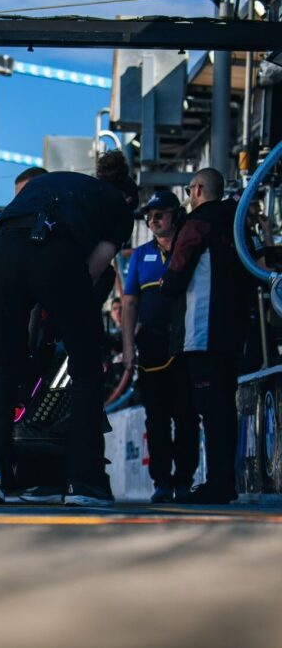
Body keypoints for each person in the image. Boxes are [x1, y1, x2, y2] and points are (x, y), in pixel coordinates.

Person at [0, 150, 138, 506]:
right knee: (86, 371)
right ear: (128, 196)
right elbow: (92, 269)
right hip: (54, 252)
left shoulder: (60, 182)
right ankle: (82, 483)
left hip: (0, 250)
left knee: (2, 367)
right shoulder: (119, 206)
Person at [160, 168, 251, 504]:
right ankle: (223, 481)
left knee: (210, 411)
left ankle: (217, 484)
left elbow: (174, 277)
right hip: (234, 332)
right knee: (225, 409)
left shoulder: (197, 223)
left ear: (197, 189)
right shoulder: (237, 221)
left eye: (189, 189)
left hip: (202, 332)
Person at [122, 191, 199, 503]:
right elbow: (129, 303)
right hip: (151, 348)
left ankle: (185, 479)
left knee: (187, 416)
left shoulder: (191, 248)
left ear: (175, 214)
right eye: (149, 216)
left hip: (186, 344)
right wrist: (128, 346)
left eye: (160, 215)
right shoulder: (140, 256)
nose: (153, 221)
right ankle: (162, 482)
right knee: (156, 419)